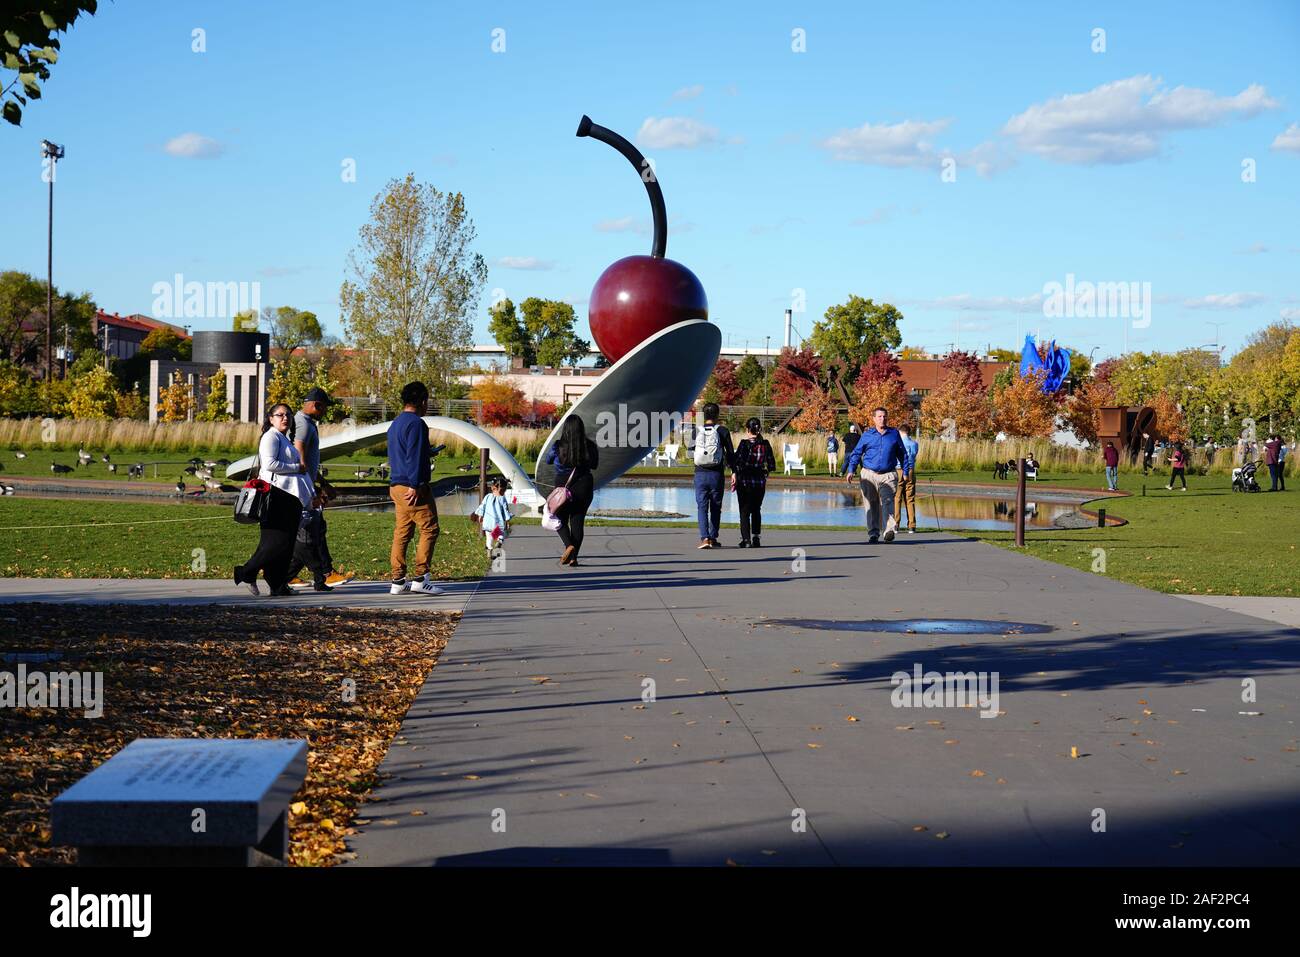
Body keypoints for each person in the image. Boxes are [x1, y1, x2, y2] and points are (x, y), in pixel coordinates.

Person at [235, 403, 312, 596]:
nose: (285, 418)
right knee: (276, 544)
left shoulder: (282, 438)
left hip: (288, 499)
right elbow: (269, 464)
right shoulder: (271, 436)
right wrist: (297, 467)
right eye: (280, 415)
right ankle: (245, 572)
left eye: (288, 415)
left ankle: (278, 585)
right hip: (276, 497)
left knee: (284, 546)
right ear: (271, 418)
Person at [287, 387, 353, 591]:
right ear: (316, 405)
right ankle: (326, 573)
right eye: (324, 408)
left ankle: (289, 574)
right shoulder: (304, 425)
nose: (325, 412)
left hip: (306, 484)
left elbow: (307, 462)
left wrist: (323, 482)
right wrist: (312, 488)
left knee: (307, 531)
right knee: (313, 530)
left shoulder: (304, 423)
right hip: (302, 488)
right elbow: (300, 458)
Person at [386, 382, 444, 595]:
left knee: (402, 532)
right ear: (423, 401)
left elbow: (404, 453)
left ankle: (398, 580)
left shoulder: (395, 424)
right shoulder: (417, 424)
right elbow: (415, 457)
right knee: (430, 528)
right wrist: (416, 484)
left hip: (396, 485)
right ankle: (421, 578)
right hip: (412, 486)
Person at [844, 406, 907, 543]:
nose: (882, 419)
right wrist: (851, 470)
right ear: (874, 419)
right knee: (871, 504)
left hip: (888, 474)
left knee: (888, 501)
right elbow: (856, 453)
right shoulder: (867, 435)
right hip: (869, 474)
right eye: (879, 416)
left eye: (884, 416)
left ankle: (889, 530)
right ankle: (873, 533)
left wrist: (906, 471)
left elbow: (903, 454)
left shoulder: (894, 434)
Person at [545, 415, 599, 565]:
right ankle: (574, 557)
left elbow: (548, 460)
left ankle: (569, 545)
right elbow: (594, 465)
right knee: (578, 521)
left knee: (558, 519)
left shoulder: (558, 446)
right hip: (584, 485)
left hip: (563, 486)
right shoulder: (590, 446)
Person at [692, 402, 734, 549]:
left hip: (700, 473)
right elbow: (730, 453)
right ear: (717, 415)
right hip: (717, 474)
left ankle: (704, 538)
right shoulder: (722, 431)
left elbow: (691, 448)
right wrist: (733, 471)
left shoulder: (696, 430)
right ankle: (713, 537)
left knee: (702, 507)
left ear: (704, 415)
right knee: (716, 506)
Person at [731, 417, 776, 547]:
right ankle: (756, 537)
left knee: (744, 511)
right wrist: (766, 472)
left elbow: (736, 461)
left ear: (747, 429)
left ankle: (746, 540)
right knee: (756, 509)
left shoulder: (744, 444)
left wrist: (736, 472)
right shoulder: (765, 444)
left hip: (745, 481)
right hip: (759, 482)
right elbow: (771, 464)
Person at [473, 476, 513, 556]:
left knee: (489, 537)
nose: (503, 493)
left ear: (493, 488)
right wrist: (508, 519)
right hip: (498, 523)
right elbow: (505, 510)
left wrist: (480, 515)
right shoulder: (502, 499)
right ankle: (499, 541)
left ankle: (489, 552)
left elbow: (482, 506)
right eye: (503, 491)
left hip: (488, 522)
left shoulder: (487, 497)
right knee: (500, 535)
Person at [894, 423, 919, 533]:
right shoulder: (914, 444)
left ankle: (896, 524)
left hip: (899, 470)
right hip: (910, 470)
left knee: (897, 498)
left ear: (900, 432)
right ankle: (911, 525)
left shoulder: (898, 443)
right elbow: (914, 456)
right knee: (910, 498)